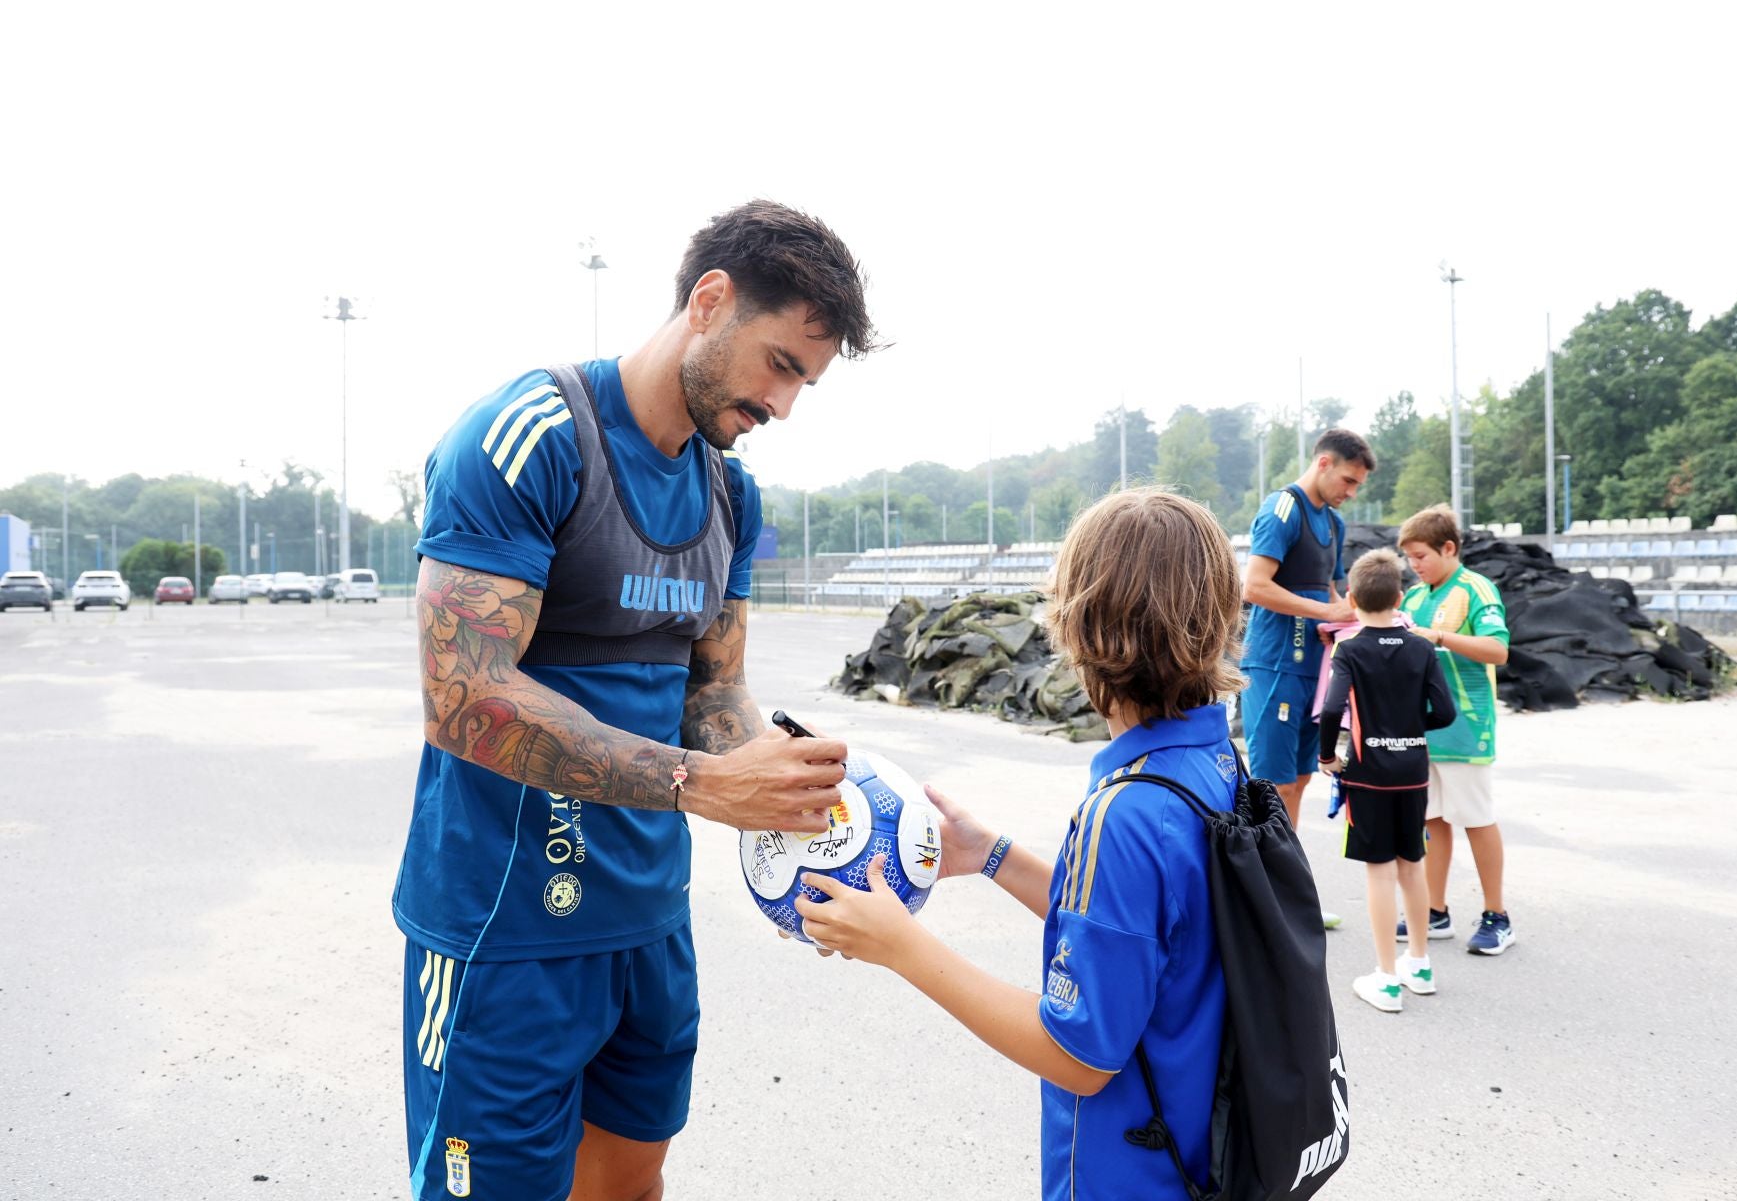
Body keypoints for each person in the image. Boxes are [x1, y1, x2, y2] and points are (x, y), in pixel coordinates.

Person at [393, 201, 879, 1201]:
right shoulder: (529, 438)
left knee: (631, 1179)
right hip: (505, 928)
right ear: (710, 301)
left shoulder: (729, 495)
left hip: (649, 919)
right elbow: (463, 696)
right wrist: (705, 782)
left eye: (806, 382)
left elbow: (716, 689)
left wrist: (793, 784)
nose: (785, 405)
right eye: (782, 364)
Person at [794, 489, 1245, 1201]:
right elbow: (1145, 940)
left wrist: (900, 948)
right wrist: (991, 854)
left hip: (1134, 1180)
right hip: (1207, 1160)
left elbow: (1079, 1055)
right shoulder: (1212, 769)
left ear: (1076, 626)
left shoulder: (1124, 815)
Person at [1241, 427, 1374, 927]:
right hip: (1274, 664)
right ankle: (1260, 902)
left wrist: (1342, 621)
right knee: (1271, 787)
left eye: (1358, 484)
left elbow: (1338, 596)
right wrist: (1323, 609)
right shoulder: (1283, 508)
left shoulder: (1334, 523)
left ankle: (1286, 895)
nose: (1351, 491)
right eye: (1348, 479)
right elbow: (1254, 585)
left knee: (1298, 781)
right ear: (1323, 463)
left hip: (1312, 670)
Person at [1317, 548, 1457, 1012]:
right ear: (1400, 597)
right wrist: (1409, 729)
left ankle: (1386, 977)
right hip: (1413, 772)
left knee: (1379, 870)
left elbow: (1333, 709)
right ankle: (1419, 963)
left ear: (1352, 597)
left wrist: (1327, 758)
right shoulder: (1421, 646)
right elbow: (1446, 710)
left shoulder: (1350, 649)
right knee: (1412, 865)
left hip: (1370, 774)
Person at [1395, 504, 1517, 956]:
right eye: (1409, 558)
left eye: (1421, 556)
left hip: (1466, 727)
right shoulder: (1411, 597)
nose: (1415, 565)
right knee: (1431, 819)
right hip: (1421, 729)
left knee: (1476, 819)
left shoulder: (1476, 589)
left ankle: (1497, 915)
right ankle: (1434, 910)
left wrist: (1439, 638)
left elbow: (1497, 650)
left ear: (1449, 548)